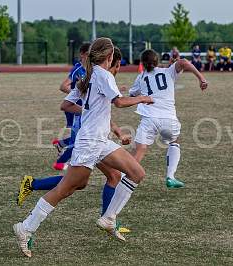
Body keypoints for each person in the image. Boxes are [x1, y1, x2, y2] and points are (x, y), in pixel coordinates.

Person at [13, 38, 154, 258]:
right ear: (109, 57)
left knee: (136, 172)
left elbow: (66, 105)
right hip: (90, 143)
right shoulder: (103, 75)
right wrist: (143, 98)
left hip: (100, 140)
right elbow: (118, 102)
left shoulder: (87, 76)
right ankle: (26, 227)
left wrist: (90, 114)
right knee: (65, 190)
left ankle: (108, 218)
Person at [16, 48, 132, 228]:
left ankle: (108, 219)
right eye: (117, 67)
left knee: (101, 178)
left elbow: (101, 113)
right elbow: (76, 99)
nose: (118, 71)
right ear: (110, 61)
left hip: (93, 134)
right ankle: (29, 214)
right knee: (74, 182)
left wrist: (117, 132)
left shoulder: (97, 76)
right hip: (88, 134)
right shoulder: (93, 75)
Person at [126, 49, 208, 189]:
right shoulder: (168, 72)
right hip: (168, 119)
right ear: (157, 61)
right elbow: (183, 62)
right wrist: (201, 78)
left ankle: (124, 179)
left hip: (149, 119)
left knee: (139, 150)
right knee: (174, 141)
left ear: (142, 64)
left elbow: (133, 95)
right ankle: (170, 176)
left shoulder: (141, 77)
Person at [58, 43, 90, 132]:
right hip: (74, 106)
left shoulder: (91, 69)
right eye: (87, 54)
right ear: (82, 54)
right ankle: (61, 144)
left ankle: (60, 144)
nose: (90, 57)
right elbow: (63, 86)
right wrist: (79, 94)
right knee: (77, 135)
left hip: (84, 107)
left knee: (82, 134)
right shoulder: (78, 69)